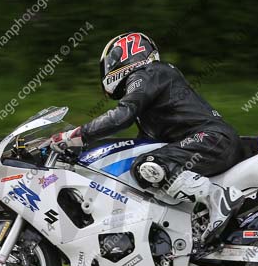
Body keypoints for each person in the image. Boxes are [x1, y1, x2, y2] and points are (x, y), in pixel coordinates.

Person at [49, 32, 245, 245]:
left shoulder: (148, 74)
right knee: (146, 170)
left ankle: (218, 198)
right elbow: (143, 144)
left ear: (124, 56)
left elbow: (121, 116)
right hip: (208, 141)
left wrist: (74, 136)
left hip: (211, 139)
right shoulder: (152, 90)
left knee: (148, 165)